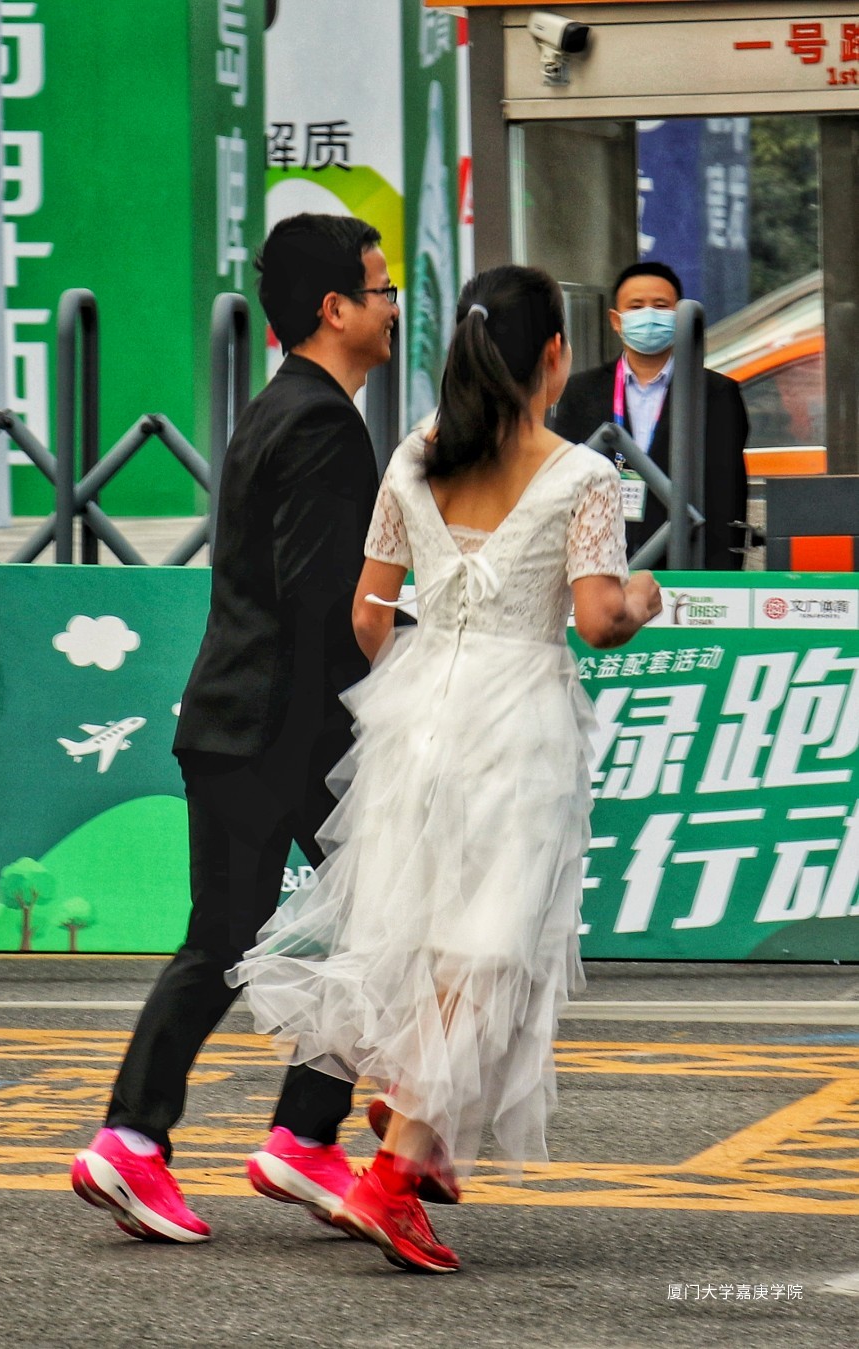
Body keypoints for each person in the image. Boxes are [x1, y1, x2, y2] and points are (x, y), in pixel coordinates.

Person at [227, 264, 662, 1273]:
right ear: (552, 355)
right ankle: (395, 1170)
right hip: (521, 719)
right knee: (491, 945)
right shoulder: (582, 475)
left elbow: (367, 611)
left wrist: (424, 682)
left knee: (426, 928)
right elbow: (599, 619)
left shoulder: (413, 459)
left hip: (418, 714)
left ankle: (419, 1120)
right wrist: (646, 596)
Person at [71, 213, 403, 1242]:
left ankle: (164, 1136)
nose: (393, 306)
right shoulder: (325, 425)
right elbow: (322, 600)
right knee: (374, 924)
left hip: (240, 718)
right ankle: (266, 1135)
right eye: (381, 288)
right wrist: (406, 664)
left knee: (233, 934)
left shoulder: (279, 406)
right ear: (334, 308)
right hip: (288, 727)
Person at [551, 261, 749, 570]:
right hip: (597, 566)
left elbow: (727, 497)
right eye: (636, 306)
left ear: (679, 317)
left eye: (660, 306)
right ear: (616, 320)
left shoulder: (717, 393)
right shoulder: (579, 392)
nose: (649, 315)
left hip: (685, 567)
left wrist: (718, 581)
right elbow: (562, 489)